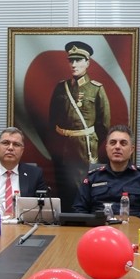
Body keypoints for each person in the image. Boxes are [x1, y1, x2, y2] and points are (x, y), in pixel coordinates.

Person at [48, 40, 111, 209]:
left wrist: (88, 141)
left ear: (87, 62)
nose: (74, 64)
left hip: (84, 149)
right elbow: (52, 119)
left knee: (83, 190)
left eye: (78, 60)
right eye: (71, 60)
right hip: (62, 148)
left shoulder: (96, 89)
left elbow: (103, 126)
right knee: (63, 192)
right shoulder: (61, 87)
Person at [72, 125, 140, 223]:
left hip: (132, 229)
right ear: (107, 148)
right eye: (113, 143)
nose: (117, 147)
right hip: (99, 229)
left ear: (131, 149)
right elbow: (78, 210)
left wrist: (122, 221)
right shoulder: (92, 177)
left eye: (123, 143)